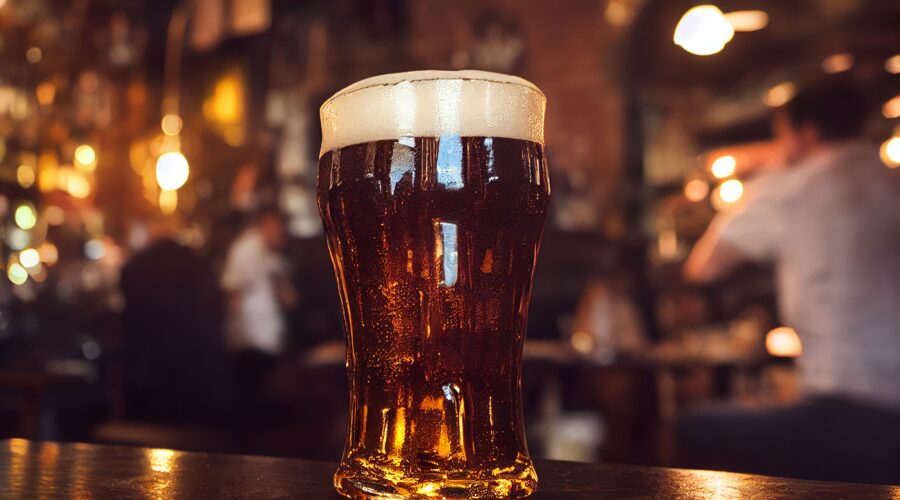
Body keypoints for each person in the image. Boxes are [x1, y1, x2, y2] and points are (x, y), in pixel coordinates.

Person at [680, 80, 900, 484]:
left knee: (694, 429)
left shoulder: (791, 187)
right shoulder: (891, 180)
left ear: (806, 133)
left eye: (781, 136)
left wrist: (775, 165)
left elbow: (701, 267)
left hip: (855, 412)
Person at [119, 214, 232, 425]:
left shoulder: (135, 267)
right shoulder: (200, 264)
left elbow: (129, 329)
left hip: (150, 388)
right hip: (204, 387)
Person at [221, 206, 296, 424]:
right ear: (267, 223)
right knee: (251, 407)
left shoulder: (272, 256)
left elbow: (288, 297)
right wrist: (234, 336)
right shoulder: (245, 249)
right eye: (279, 226)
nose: (282, 232)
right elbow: (233, 293)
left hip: (267, 341)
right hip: (250, 341)